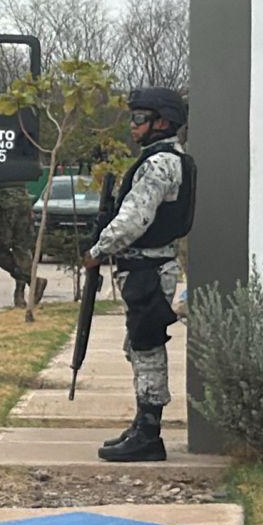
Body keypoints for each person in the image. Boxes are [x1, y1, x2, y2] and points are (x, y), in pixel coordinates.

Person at [83, 87, 195, 463]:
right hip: (145, 266)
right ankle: (142, 423)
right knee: (140, 346)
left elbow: (135, 218)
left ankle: (149, 432)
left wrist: (99, 249)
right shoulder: (161, 160)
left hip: (149, 267)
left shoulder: (160, 163)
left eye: (139, 119)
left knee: (147, 348)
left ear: (161, 123)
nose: (133, 127)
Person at [0, 185, 45, 308]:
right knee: (21, 249)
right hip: (23, 201)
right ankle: (20, 295)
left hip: (3, 203)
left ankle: (31, 281)